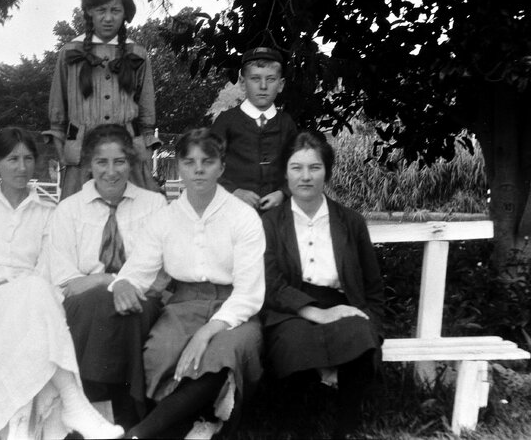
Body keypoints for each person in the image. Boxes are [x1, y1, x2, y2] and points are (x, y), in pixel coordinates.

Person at [0, 127, 123, 440]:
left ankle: (20, 425)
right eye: (12, 159)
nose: (22, 167)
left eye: (28, 158)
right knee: (36, 300)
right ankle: (74, 403)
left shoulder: (49, 213)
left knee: (35, 293)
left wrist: (3, 286)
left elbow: (46, 272)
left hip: (27, 298)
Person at [112, 128, 265, 439]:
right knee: (160, 352)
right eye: (189, 161)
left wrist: (208, 331)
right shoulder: (165, 218)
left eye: (207, 161)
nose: (198, 169)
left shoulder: (243, 217)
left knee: (221, 352)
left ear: (221, 167)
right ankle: (185, 425)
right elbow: (137, 271)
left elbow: (249, 292)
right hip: (182, 306)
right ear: (179, 166)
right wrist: (123, 284)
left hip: (234, 310)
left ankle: (140, 434)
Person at [41, 123, 167, 428]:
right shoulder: (69, 210)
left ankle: (97, 407)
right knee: (98, 300)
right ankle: (125, 411)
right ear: (88, 165)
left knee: (128, 307)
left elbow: (160, 269)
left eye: (119, 162)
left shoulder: (155, 205)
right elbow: (65, 278)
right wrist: (109, 281)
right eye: (101, 162)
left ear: (132, 163)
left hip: (141, 297)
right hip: (83, 303)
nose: (111, 172)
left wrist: (127, 285)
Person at [261, 130, 384, 439]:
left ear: (326, 171)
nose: (306, 177)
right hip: (291, 307)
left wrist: (372, 319)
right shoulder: (270, 223)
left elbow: (372, 284)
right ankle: (301, 427)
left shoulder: (350, 221)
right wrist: (315, 312)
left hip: (342, 302)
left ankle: (344, 428)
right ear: (285, 174)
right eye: (296, 168)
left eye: (314, 167)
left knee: (360, 332)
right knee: (294, 343)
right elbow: (270, 282)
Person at [45, 0, 160, 200]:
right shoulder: (69, 53)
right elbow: (57, 117)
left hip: (129, 159)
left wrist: (143, 151)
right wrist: (64, 155)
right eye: (101, 10)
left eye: (115, 10)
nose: (108, 18)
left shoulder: (137, 54)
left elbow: (147, 116)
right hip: (82, 162)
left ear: (125, 12)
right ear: (89, 11)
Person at [210, 46, 297, 212]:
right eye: (255, 79)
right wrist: (234, 191)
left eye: (271, 79)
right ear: (243, 83)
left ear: (281, 84)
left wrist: (283, 193)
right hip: (233, 214)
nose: (263, 86)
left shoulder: (286, 124)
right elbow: (210, 164)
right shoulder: (226, 121)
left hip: (278, 217)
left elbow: (297, 166)